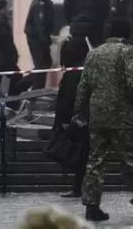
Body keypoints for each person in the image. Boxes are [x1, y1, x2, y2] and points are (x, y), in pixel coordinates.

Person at [73, 17, 133, 222]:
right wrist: (132, 101)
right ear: (126, 34)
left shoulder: (94, 53)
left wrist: (79, 112)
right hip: (120, 114)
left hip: (97, 114)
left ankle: (91, 205)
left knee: (96, 160)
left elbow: (84, 86)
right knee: (131, 160)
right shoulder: (127, 51)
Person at [50, 36, 91, 199]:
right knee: (82, 155)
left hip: (76, 121)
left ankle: (79, 189)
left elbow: (68, 100)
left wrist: (64, 121)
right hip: (83, 118)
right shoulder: (83, 71)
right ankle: (79, 188)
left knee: (80, 155)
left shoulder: (73, 75)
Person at [25, 0, 55, 90]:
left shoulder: (44, 2)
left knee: (46, 63)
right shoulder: (39, 4)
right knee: (41, 66)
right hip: (36, 40)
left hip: (40, 39)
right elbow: (39, 26)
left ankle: (31, 86)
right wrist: (44, 41)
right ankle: (35, 90)